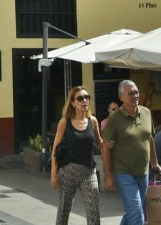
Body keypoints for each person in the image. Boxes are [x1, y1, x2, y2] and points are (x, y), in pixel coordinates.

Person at [102, 79, 161, 225]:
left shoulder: (147, 113)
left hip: (143, 171)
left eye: (136, 92)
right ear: (121, 97)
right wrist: (108, 176)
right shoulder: (114, 118)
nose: (135, 96)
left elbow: (150, 138)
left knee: (132, 211)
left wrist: (155, 163)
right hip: (123, 172)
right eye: (130, 94)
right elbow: (105, 147)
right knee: (136, 212)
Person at [51, 86, 103, 225]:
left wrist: (108, 145)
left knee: (94, 211)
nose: (84, 100)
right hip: (68, 170)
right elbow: (55, 148)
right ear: (73, 103)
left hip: (88, 171)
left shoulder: (93, 121)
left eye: (87, 97)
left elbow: (99, 143)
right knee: (63, 211)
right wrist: (54, 173)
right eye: (80, 98)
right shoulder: (65, 122)